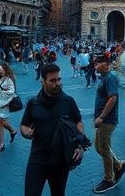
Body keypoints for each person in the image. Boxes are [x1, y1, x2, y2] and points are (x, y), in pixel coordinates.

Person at [20, 63, 87, 196]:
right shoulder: (33, 103)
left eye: (59, 79)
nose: (57, 83)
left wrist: (80, 145)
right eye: (52, 80)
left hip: (60, 161)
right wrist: (26, 132)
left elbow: (78, 122)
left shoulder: (68, 101)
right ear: (42, 81)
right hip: (37, 159)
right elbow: (24, 125)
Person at [92, 53, 125, 193]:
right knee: (99, 147)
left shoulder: (110, 78)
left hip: (107, 120)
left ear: (106, 63)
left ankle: (109, 179)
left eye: (98, 63)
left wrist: (101, 116)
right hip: (102, 120)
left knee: (104, 149)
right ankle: (119, 166)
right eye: (95, 63)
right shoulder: (104, 78)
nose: (95, 66)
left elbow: (113, 98)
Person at [0, 62, 19, 152]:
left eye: (1, 69)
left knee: (2, 123)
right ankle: (2, 143)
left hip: (4, 103)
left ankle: (12, 131)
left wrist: (1, 93)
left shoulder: (9, 79)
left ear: (5, 69)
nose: (0, 71)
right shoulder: (1, 78)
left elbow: (12, 92)